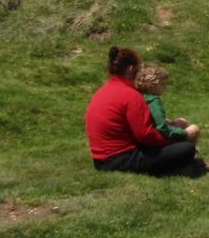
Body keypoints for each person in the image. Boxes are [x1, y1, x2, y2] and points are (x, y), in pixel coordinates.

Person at [85, 47, 200, 176]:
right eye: (138, 68)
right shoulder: (131, 95)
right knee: (187, 148)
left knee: (178, 140)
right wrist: (178, 138)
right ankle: (179, 168)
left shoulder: (102, 91)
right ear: (130, 69)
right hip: (120, 159)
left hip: (100, 159)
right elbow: (146, 136)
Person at [133, 64, 201, 143]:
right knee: (194, 129)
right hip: (159, 136)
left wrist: (167, 121)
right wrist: (183, 132)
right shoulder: (154, 101)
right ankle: (188, 147)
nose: (165, 87)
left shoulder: (140, 95)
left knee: (182, 121)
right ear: (150, 86)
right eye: (162, 84)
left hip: (149, 131)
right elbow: (161, 128)